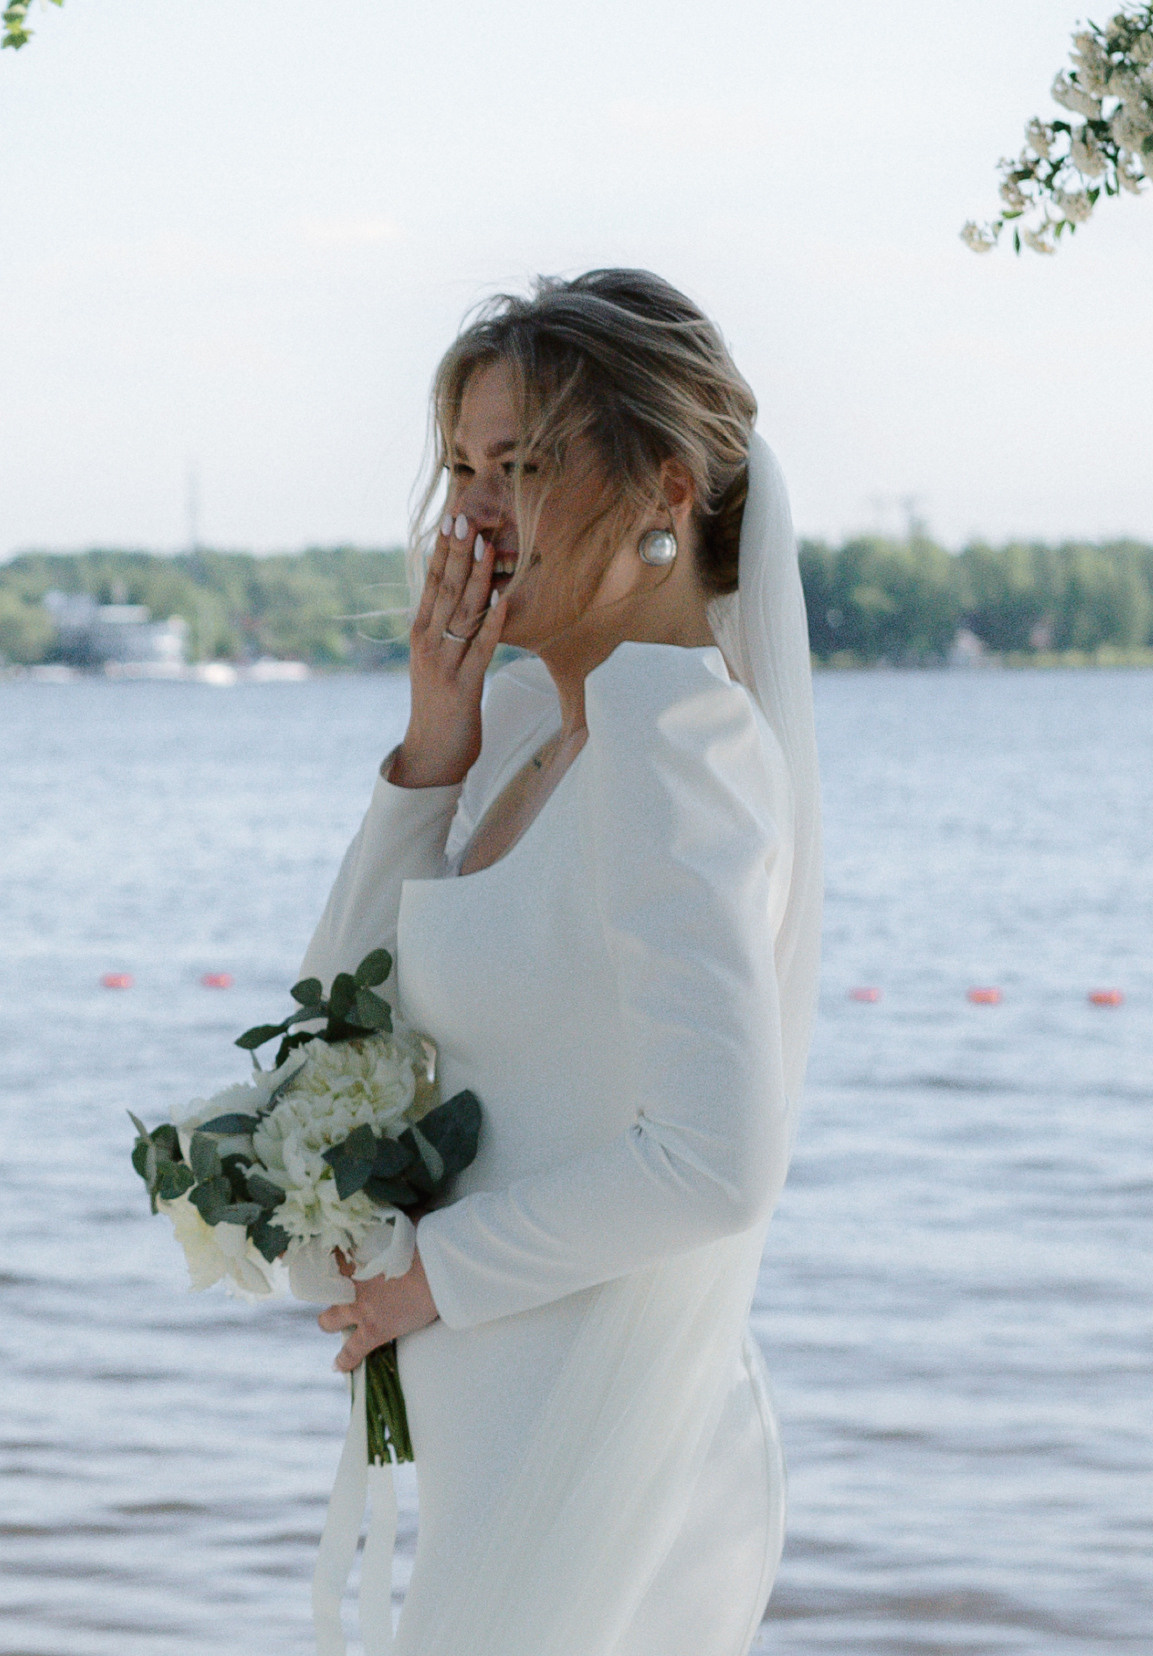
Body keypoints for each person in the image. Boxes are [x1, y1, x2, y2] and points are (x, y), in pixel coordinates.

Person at [299, 268, 822, 1655]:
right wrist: (434, 745)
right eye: (464, 467)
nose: (474, 511)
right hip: (511, 1426)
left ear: (666, 492)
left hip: (612, 1437)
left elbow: (718, 1161)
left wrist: (431, 1275)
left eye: (524, 467)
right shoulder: (535, 727)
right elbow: (338, 1023)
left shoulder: (676, 743)